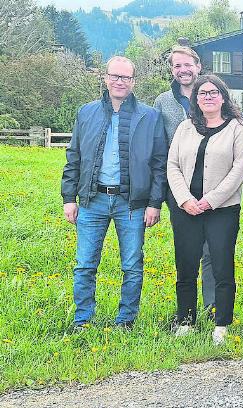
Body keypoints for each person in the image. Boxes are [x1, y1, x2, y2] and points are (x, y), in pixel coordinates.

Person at [61, 56, 167, 330]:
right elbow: (74, 157)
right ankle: (82, 319)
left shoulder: (150, 116)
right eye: (115, 76)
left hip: (131, 203)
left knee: (132, 265)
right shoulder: (86, 113)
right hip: (92, 200)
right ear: (106, 78)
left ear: (133, 81)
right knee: (85, 264)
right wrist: (69, 198)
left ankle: (125, 320)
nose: (120, 82)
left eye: (126, 77)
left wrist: (155, 203)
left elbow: (159, 162)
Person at [166, 75, 243, 345]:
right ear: (196, 99)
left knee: (222, 266)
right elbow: (172, 165)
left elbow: (240, 169)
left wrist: (211, 200)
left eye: (214, 92)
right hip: (186, 208)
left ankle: (222, 324)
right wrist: (184, 199)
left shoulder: (237, 129)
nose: (208, 97)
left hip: (222, 210)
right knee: (186, 265)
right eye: (203, 93)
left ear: (223, 97)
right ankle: (186, 320)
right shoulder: (185, 128)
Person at [153, 45, 216, 314]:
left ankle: (213, 306)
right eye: (177, 66)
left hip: (212, 186)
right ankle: (187, 311)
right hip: (177, 188)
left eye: (187, 64)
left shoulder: (214, 96)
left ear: (198, 66)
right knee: (187, 248)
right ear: (172, 70)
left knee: (213, 250)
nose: (183, 70)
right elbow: (159, 149)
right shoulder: (162, 102)